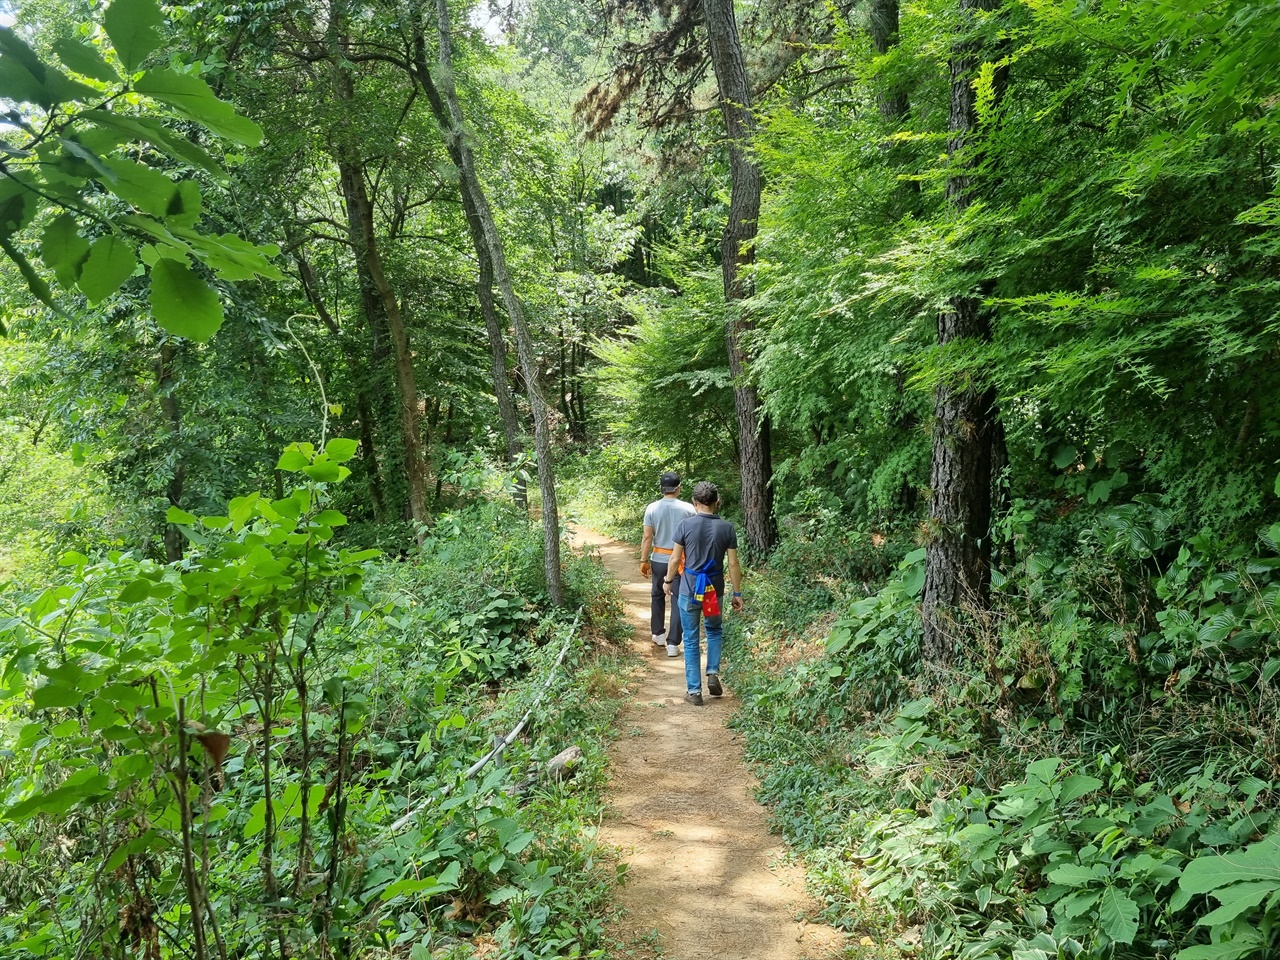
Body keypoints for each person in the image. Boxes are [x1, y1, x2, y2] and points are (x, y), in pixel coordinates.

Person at [663, 481, 743, 705]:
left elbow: (676, 558)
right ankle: (713, 673)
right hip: (712, 591)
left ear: (694, 503)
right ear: (717, 502)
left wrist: (668, 581)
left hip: (689, 589)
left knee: (690, 639)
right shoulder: (727, 528)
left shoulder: (685, 526)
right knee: (714, 630)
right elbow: (734, 564)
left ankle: (695, 692)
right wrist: (737, 592)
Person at [640, 471, 696, 657]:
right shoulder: (689, 509)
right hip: (681, 561)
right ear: (678, 487)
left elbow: (648, 537)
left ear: (661, 489)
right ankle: (673, 643)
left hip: (658, 559)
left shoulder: (652, 508)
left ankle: (658, 633)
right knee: (678, 599)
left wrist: (643, 560)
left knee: (657, 595)